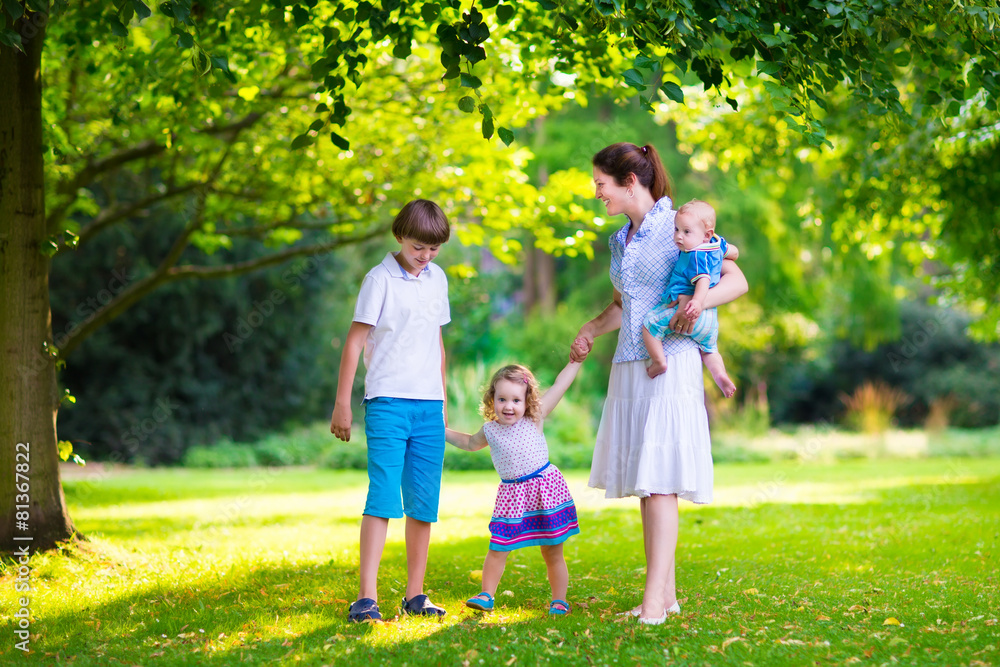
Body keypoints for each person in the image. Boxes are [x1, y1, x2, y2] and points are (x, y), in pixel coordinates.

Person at [570, 142, 747, 625]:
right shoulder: (619, 240)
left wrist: (697, 306)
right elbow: (624, 305)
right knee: (649, 483)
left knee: (662, 482)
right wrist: (589, 329)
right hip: (630, 363)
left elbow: (735, 278)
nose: (597, 193)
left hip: (671, 359)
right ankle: (664, 597)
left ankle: (654, 604)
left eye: (601, 185)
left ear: (630, 182)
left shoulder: (678, 227)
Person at [331, 199, 452, 623]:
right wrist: (343, 403)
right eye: (419, 247)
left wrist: (443, 404)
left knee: (423, 502)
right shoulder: (378, 279)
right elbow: (353, 342)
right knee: (382, 496)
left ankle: (415, 595)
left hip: (428, 405)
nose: (426, 256)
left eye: (434, 249)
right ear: (400, 236)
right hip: (386, 401)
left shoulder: (437, 279)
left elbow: (437, 345)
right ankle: (366, 598)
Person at [445, 361, 583, 616]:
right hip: (512, 496)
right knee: (498, 545)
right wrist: (443, 432)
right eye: (502, 399)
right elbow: (468, 442)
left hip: (545, 492)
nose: (508, 406)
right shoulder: (490, 429)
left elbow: (560, 385)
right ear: (492, 400)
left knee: (552, 551)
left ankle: (559, 600)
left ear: (527, 401)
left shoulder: (535, 418)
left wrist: (576, 362)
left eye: (516, 400)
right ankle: (486, 594)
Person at [642, 199, 739, 397]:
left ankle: (659, 363)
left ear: (706, 234)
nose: (678, 236)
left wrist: (696, 302)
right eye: (677, 229)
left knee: (649, 325)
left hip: (689, 310)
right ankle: (720, 375)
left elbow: (702, 280)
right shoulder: (716, 244)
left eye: (686, 232)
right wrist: (727, 249)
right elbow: (734, 253)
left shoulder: (695, 256)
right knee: (710, 350)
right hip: (709, 321)